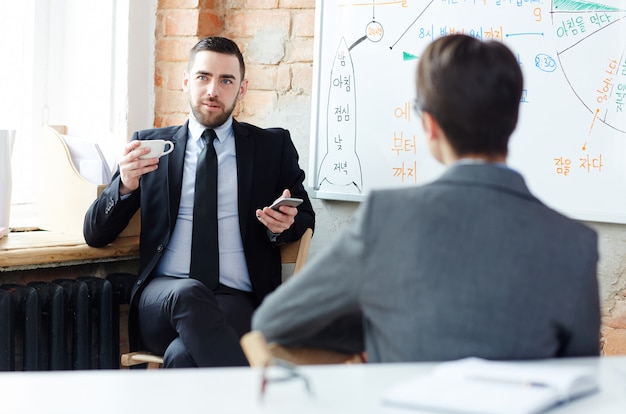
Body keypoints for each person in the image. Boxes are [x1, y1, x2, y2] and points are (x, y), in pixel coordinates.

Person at [252, 34, 600, 363]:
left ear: (431, 125)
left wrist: (384, 332)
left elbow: (274, 320)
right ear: (512, 120)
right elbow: (581, 373)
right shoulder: (576, 243)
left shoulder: (386, 217)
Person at [84, 36, 315, 367]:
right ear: (186, 82)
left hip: (235, 299)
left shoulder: (270, 147)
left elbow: (305, 216)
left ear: (242, 88)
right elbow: (95, 234)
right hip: (162, 300)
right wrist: (125, 184)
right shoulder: (151, 146)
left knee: (182, 356)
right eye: (203, 77)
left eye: (226, 80)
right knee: (188, 293)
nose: (213, 91)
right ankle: (257, 395)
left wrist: (284, 227)